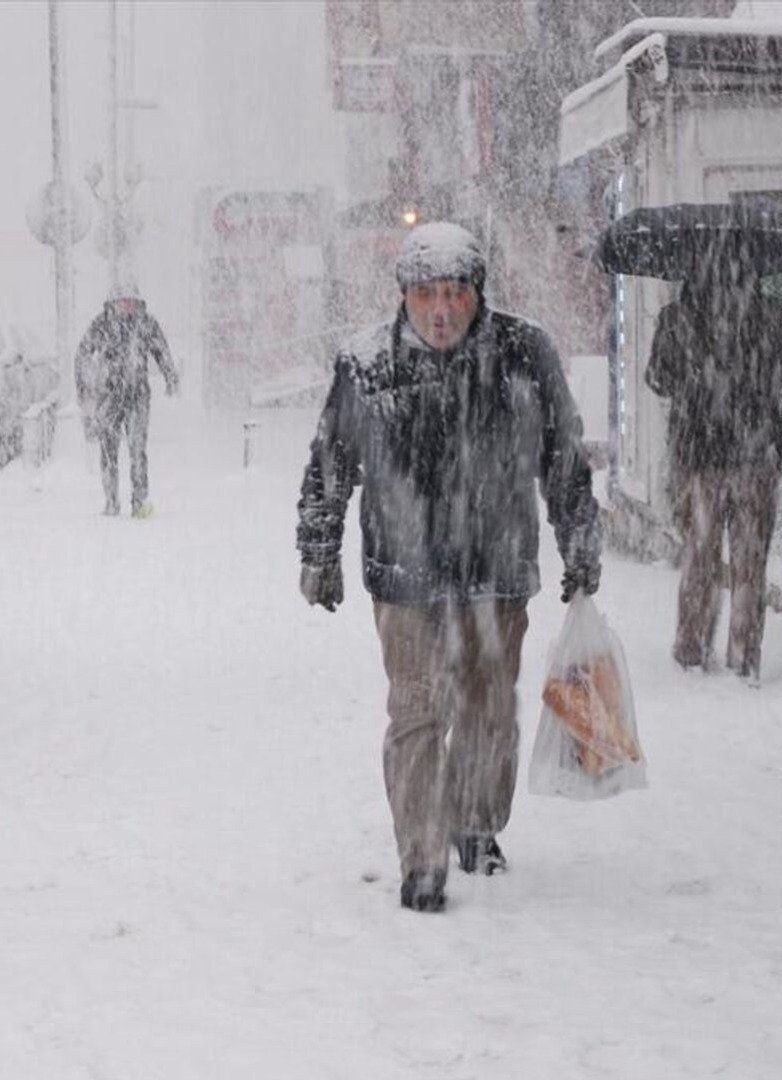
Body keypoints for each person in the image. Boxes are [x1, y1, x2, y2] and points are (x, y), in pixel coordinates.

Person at [296, 222, 601, 913]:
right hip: (404, 572)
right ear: (403, 296)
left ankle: (473, 822)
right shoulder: (366, 363)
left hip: (496, 567)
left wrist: (580, 541)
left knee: (488, 708)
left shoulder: (524, 354)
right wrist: (319, 548)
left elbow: (565, 458)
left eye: (455, 294)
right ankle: (423, 856)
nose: (441, 311)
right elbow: (330, 462)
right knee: (416, 712)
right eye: (427, 294)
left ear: (478, 295)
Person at [645, 259, 782, 683]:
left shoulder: (678, 317)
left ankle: (692, 649)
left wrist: (695, 383)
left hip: (699, 456)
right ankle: (744, 655)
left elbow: (656, 378)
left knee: (700, 556)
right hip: (756, 455)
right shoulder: (770, 315)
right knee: (750, 562)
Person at [74, 286, 178, 517]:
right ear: (113, 303)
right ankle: (111, 501)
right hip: (109, 395)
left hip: (138, 394)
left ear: (139, 303)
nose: (127, 306)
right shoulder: (101, 324)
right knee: (108, 450)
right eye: (123, 302)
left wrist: (170, 376)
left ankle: (139, 502)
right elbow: (82, 353)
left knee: (137, 449)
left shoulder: (146, 323)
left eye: (132, 302)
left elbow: (161, 350)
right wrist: (85, 385)